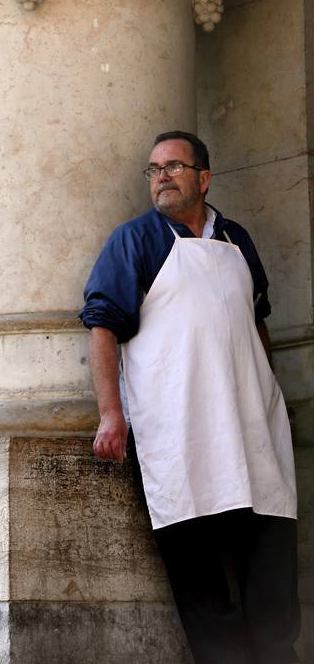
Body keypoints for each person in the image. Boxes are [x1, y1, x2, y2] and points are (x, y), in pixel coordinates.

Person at [79, 130, 300, 664]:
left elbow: (256, 320)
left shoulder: (237, 239)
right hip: (181, 434)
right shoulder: (134, 241)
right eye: (154, 169)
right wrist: (111, 415)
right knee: (203, 590)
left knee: (271, 579)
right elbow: (102, 329)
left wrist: (269, 390)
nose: (161, 177)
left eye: (174, 166)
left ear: (204, 178)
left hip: (253, 431)